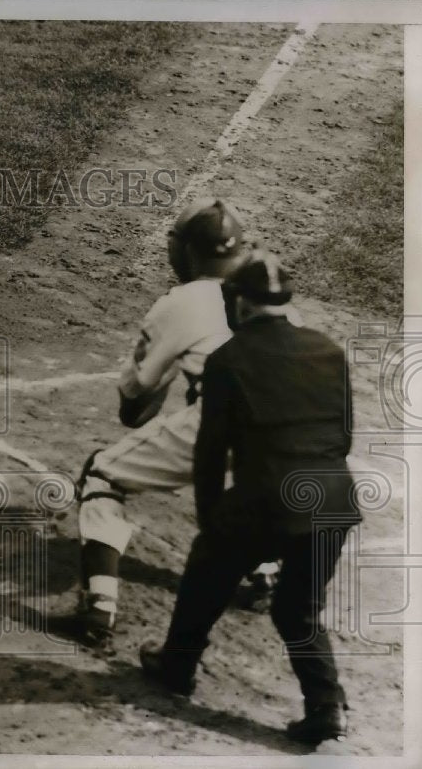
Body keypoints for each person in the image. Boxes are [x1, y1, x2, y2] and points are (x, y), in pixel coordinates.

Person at [140, 252, 359, 745]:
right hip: (335, 502)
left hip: (269, 500)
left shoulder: (228, 360)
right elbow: (343, 437)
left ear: (237, 302)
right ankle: (327, 705)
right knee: (298, 609)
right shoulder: (328, 349)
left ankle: (176, 665)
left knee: (208, 563)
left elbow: (212, 452)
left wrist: (210, 519)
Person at [75, 198, 277, 648]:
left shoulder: (182, 302)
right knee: (238, 483)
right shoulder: (270, 287)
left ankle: (98, 609)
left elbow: (133, 411)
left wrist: (169, 376)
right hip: (298, 426)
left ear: (185, 252)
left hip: (226, 420)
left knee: (103, 473)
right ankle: (267, 574)